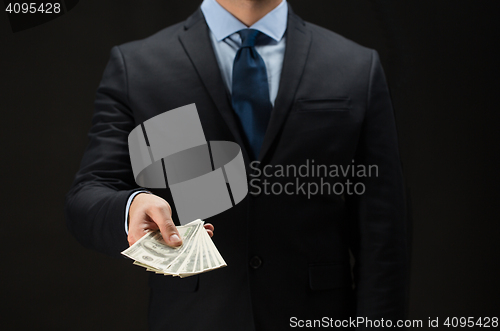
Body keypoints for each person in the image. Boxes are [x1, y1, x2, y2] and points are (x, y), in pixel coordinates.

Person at [65, 0, 408, 330]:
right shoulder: (138, 65)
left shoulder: (356, 65)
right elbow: (88, 195)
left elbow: (383, 229)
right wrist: (131, 206)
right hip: (194, 319)